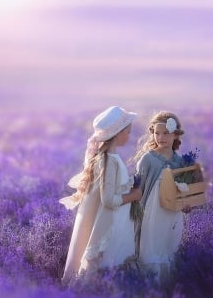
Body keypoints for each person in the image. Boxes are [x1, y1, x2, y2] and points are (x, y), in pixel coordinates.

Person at [59, 106, 142, 285]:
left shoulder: (105, 157)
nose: (129, 135)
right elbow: (109, 199)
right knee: (108, 265)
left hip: (113, 220)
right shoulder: (109, 161)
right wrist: (134, 195)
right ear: (118, 134)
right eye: (128, 131)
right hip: (111, 224)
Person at [131, 111, 191, 282]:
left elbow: (184, 191)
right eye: (157, 133)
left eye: (166, 133)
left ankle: (169, 286)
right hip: (151, 214)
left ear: (175, 135)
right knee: (151, 247)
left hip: (172, 213)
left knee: (169, 246)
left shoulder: (180, 162)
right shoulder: (147, 159)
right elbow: (138, 190)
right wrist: (136, 218)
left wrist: (186, 205)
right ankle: (150, 285)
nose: (161, 137)